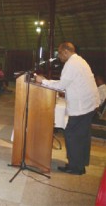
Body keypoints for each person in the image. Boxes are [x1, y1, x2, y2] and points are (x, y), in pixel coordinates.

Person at [35, 42, 99, 175]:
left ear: (65, 51)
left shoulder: (71, 64)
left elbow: (61, 85)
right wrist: (47, 81)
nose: (59, 56)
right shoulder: (79, 60)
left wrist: (43, 81)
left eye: (59, 53)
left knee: (72, 133)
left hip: (82, 106)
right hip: (89, 104)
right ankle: (80, 165)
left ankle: (75, 167)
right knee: (82, 136)